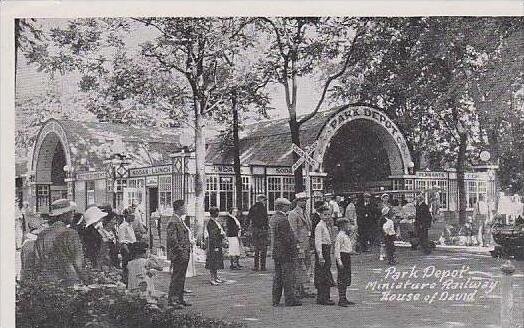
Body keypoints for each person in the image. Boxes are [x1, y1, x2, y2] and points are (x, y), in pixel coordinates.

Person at [34, 199, 89, 286]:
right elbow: (78, 263)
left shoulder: (42, 234)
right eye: (71, 212)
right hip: (68, 280)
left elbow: (37, 261)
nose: (73, 214)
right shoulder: (71, 233)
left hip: (47, 282)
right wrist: (86, 281)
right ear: (64, 215)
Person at [271, 197, 301, 307]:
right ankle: (290, 299)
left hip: (277, 252)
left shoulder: (274, 218)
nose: (288, 208)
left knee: (278, 276)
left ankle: (276, 299)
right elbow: (287, 238)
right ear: (283, 207)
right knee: (288, 277)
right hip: (286, 252)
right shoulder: (283, 219)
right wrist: (295, 249)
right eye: (287, 206)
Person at [287, 192, 314, 298]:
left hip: (306, 243)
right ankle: (297, 289)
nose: (304, 202)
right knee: (299, 266)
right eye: (302, 200)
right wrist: (297, 244)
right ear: (297, 201)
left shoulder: (305, 213)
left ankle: (303, 288)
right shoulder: (293, 214)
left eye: (305, 200)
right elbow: (293, 231)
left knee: (306, 266)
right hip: (300, 244)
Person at [166, 200, 192, 308]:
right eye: (184, 206)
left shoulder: (179, 220)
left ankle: (180, 298)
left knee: (181, 277)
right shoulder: (173, 221)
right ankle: (172, 299)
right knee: (176, 277)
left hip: (184, 253)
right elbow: (173, 240)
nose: (186, 208)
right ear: (180, 208)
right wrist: (180, 250)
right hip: (179, 254)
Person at [314, 204, 335, 305]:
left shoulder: (325, 225)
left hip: (326, 249)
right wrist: (320, 255)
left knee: (326, 273)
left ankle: (325, 296)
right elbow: (318, 242)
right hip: (322, 250)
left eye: (328, 214)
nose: (327, 216)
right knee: (322, 274)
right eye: (325, 214)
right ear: (320, 215)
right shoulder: (319, 226)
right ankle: (322, 297)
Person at [334, 218, 357, 307]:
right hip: (342, 257)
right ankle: (341, 299)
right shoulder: (340, 236)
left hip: (346, 256)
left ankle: (344, 298)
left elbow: (348, 247)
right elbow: (337, 249)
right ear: (343, 226)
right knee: (342, 278)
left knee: (346, 277)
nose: (349, 227)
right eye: (347, 225)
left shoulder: (346, 235)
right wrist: (339, 261)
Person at [20, 217, 47, 282]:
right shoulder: (32, 243)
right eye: (43, 225)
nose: (44, 228)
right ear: (39, 228)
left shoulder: (26, 241)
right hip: (32, 279)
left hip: (27, 277)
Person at [248, 194, 269, 271]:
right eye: (264, 200)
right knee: (263, 249)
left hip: (255, 229)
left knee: (256, 249)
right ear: (260, 199)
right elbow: (265, 219)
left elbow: (248, 218)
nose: (265, 202)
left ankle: (256, 266)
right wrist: (266, 228)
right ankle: (262, 266)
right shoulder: (263, 208)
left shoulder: (252, 207)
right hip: (262, 230)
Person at [205, 207, 226, 285]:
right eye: (217, 212)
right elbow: (213, 235)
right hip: (214, 244)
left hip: (217, 243)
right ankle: (212, 278)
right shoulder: (211, 223)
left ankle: (216, 277)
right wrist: (221, 236)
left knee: (216, 261)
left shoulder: (215, 222)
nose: (218, 214)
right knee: (213, 262)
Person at [118, 209, 137, 286]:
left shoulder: (130, 225)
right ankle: (126, 283)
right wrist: (128, 252)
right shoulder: (123, 226)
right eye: (132, 216)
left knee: (132, 268)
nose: (133, 217)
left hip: (132, 247)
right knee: (126, 267)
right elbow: (122, 241)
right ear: (127, 216)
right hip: (127, 248)